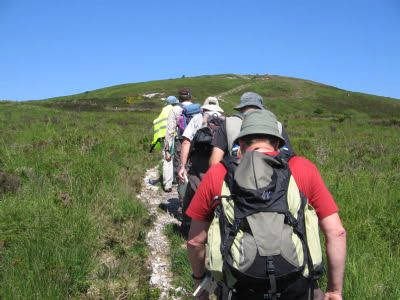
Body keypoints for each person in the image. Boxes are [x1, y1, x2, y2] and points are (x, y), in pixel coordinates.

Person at [186, 110, 346, 300]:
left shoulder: (219, 173)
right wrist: (334, 291)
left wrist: (200, 281)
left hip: (238, 288)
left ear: (241, 144)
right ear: (277, 143)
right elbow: (336, 232)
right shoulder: (303, 169)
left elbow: (195, 241)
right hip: (297, 287)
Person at [177, 96, 224, 234]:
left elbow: (186, 142)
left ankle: (188, 227)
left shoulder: (198, 118)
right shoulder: (225, 121)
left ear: (204, 107)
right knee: (216, 195)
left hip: (199, 164)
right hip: (219, 165)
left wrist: (182, 166)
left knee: (192, 193)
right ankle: (214, 230)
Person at [209, 92, 293, 165]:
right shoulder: (277, 125)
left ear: (241, 108)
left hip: (237, 178)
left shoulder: (228, 123)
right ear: (261, 107)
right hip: (274, 179)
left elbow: (215, 162)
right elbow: (289, 157)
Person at [164, 88, 194, 188]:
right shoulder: (197, 109)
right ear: (190, 97)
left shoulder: (175, 109)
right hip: (195, 143)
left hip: (180, 142)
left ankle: (182, 196)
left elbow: (170, 130)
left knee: (180, 168)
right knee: (193, 168)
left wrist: (167, 149)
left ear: (179, 98)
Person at [149, 96, 179, 191]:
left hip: (168, 137)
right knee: (177, 160)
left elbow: (157, 122)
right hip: (178, 137)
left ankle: (167, 185)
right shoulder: (178, 109)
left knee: (167, 160)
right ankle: (175, 180)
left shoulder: (165, 109)